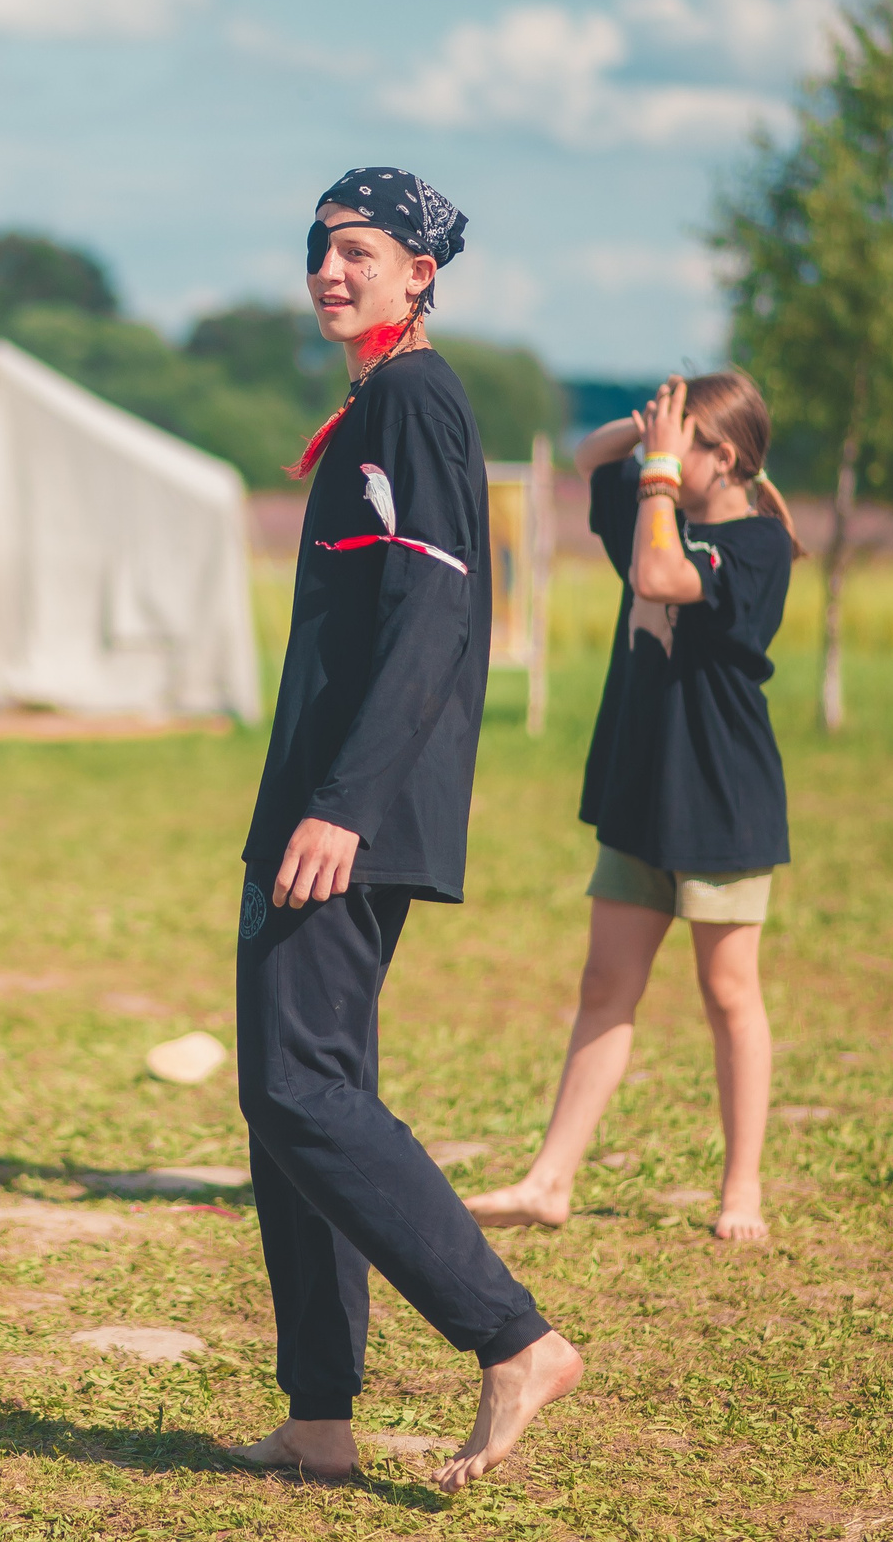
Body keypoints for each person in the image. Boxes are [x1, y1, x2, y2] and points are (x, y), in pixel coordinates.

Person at [231, 169, 583, 1494]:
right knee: (296, 1097)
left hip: (350, 813)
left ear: (421, 272)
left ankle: (516, 1337)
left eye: (360, 251)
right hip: (315, 807)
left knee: (299, 1085)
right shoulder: (378, 398)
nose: (331, 268)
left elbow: (438, 617)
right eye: (321, 247)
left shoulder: (417, 399)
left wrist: (346, 806)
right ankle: (321, 1414)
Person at [465, 373, 803, 1244]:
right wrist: (651, 427)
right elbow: (587, 457)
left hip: (721, 796)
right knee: (605, 984)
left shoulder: (757, 545)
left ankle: (742, 1189)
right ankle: (549, 1180)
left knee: (728, 992)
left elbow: (659, 570)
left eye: (682, 440)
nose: (659, 455)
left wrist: (658, 470)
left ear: (722, 458)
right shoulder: (662, 497)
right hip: (641, 784)